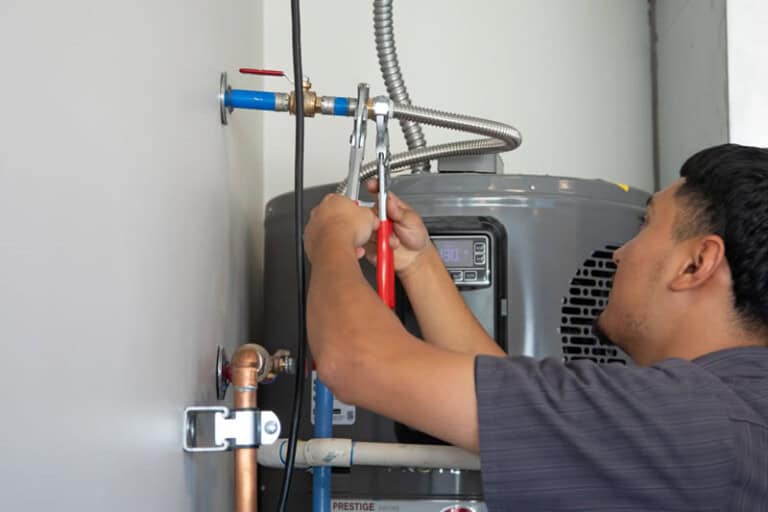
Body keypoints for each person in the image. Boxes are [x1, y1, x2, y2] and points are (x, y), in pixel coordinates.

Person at [302, 143, 768, 511]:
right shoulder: (728, 416)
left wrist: (330, 241)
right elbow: (518, 414)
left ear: (696, 264)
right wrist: (420, 265)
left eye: (645, 226)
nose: (619, 253)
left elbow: (356, 361)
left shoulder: (691, 422)